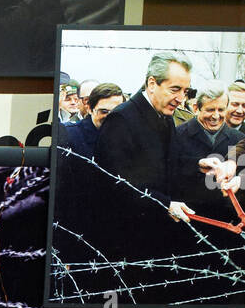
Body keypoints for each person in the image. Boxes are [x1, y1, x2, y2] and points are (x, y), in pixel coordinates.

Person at [95, 52, 193, 206]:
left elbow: (170, 160)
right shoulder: (121, 120)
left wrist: (199, 164)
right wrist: (165, 204)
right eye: (175, 90)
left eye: (185, 92)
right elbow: (117, 181)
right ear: (152, 84)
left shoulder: (165, 115)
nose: (181, 99)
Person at [167, 87, 236, 223]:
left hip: (228, 225)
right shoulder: (176, 135)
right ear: (195, 108)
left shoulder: (239, 139)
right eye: (210, 110)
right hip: (186, 221)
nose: (216, 116)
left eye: (221, 110)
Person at [58, 82, 125, 161]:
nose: (109, 116)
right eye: (104, 111)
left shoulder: (127, 136)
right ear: (90, 109)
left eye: (115, 111)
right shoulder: (67, 134)